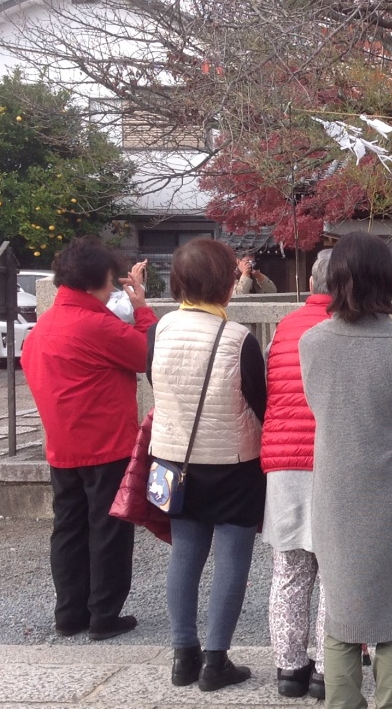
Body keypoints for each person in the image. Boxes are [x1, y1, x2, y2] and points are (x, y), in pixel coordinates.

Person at [299, 232, 392, 709]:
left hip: (336, 497)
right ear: (387, 280)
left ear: (336, 278)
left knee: (342, 614)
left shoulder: (312, 343)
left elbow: (321, 408)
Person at [21, 236, 155, 641]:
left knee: (68, 529)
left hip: (62, 445)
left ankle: (69, 613)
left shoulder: (43, 327)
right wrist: (142, 309)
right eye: (112, 279)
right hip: (106, 443)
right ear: (100, 278)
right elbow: (147, 354)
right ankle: (103, 614)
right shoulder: (95, 324)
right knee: (109, 529)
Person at [147, 239, 267, 691]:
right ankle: (216, 660)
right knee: (232, 559)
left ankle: (183, 655)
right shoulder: (238, 339)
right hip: (233, 463)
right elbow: (260, 403)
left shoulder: (157, 330)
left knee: (185, 554)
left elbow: (154, 381)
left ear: (177, 282)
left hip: (173, 460)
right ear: (227, 284)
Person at [261, 250, 333, 700]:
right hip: (333, 462)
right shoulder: (351, 328)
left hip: (283, 461)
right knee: (334, 571)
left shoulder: (285, 328)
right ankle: (329, 666)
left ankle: (289, 668)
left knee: (289, 568)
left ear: (311, 282)